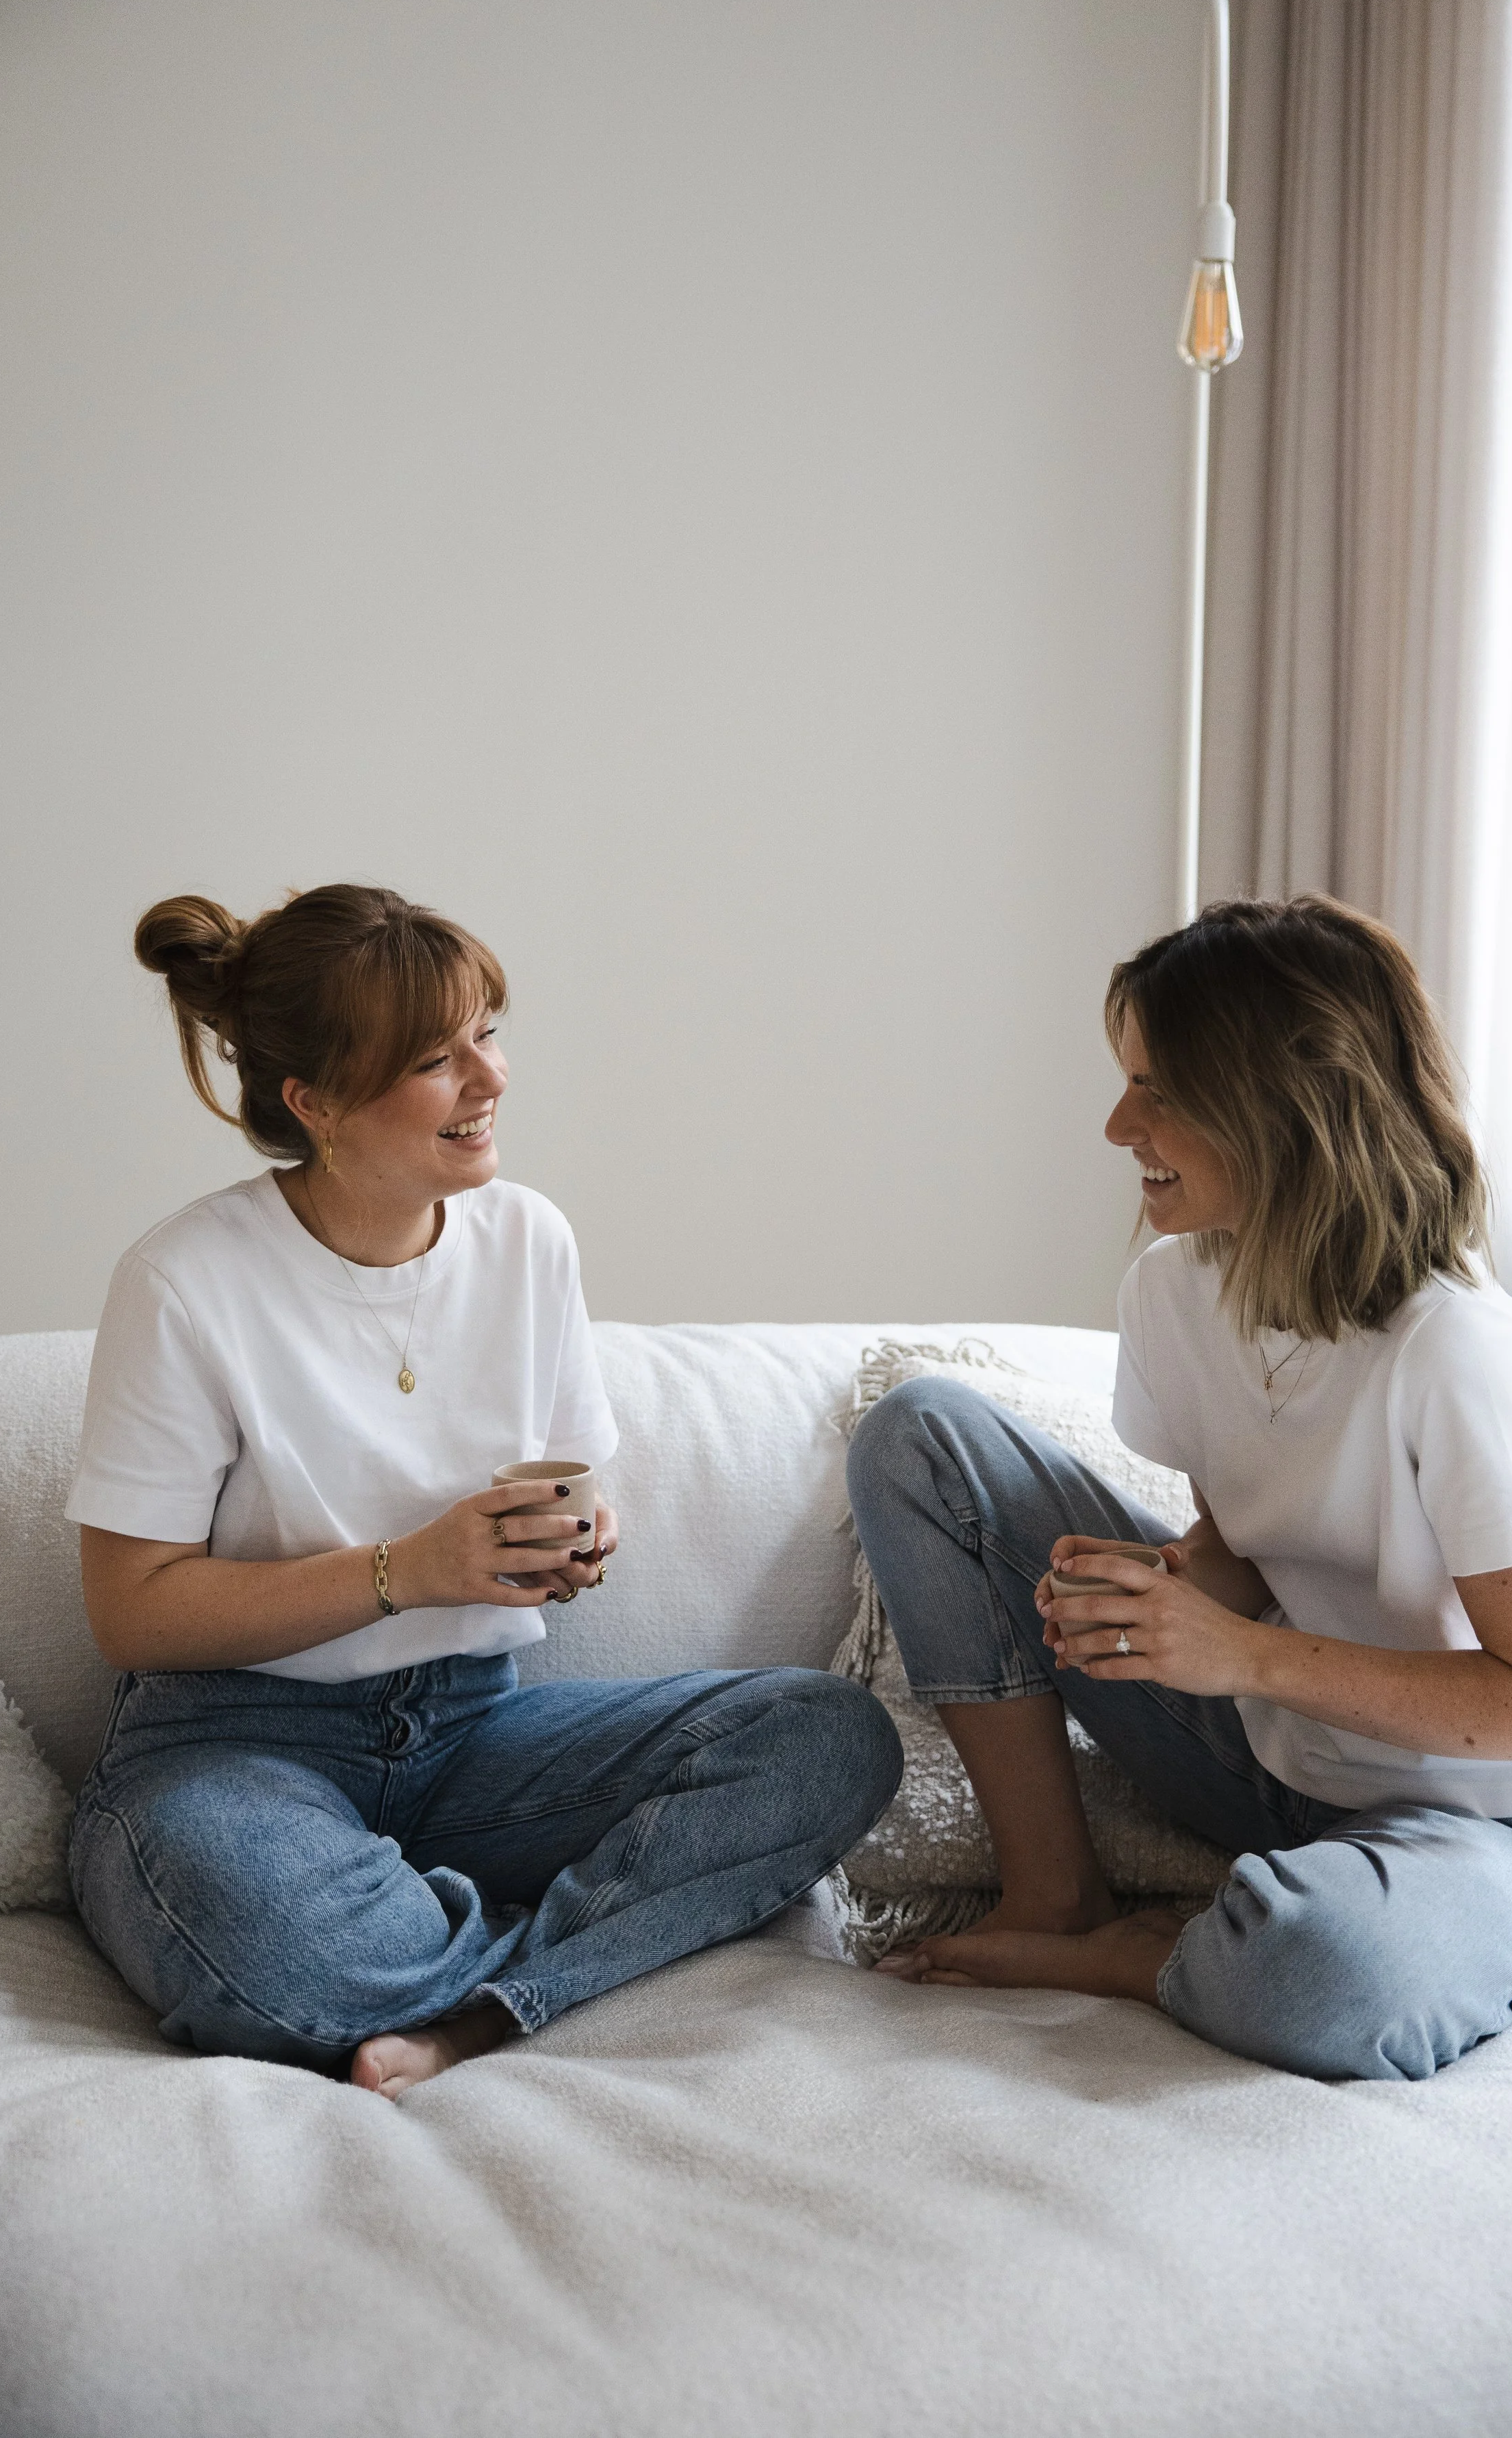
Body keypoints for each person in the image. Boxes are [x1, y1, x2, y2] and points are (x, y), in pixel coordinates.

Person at [68, 884, 899, 2098]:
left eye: (488, 1032)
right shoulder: (185, 1280)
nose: (491, 1077)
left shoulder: (527, 1241)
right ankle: (555, 1963)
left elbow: (569, 1477)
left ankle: (478, 2005)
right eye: (434, 1058)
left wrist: (580, 1532)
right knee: (254, 1927)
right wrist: (406, 1571)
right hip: (235, 1746)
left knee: (829, 1737)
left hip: (473, 1732)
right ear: (316, 1104)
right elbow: (131, 1611)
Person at [847, 896, 1512, 2082]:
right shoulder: (1173, 1288)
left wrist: (1238, 1655)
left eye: (1157, 1088)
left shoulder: (1455, 1347)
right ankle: (1056, 1898)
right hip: (1276, 1758)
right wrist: (1156, 1590)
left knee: (1318, 1971)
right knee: (921, 1438)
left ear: (1280, 1101)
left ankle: (1139, 1956)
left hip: (1484, 1821)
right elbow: (1250, 1541)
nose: (1116, 1124)